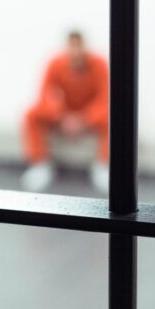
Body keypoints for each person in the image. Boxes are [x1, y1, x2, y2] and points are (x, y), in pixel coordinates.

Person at [20, 30, 109, 192]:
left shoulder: (99, 64)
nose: (75, 53)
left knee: (114, 118)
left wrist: (85, 119)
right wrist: (60, 115)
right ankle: (39, 164)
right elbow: (45, 93)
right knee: (31, 114)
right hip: (63, 113)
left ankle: (103, 165)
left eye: (79, 47)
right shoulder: (55, 62)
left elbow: (104, 98)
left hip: (88, 114)